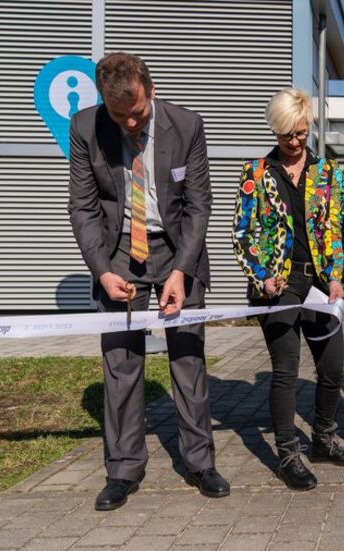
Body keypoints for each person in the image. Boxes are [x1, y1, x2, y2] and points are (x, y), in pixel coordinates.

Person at [67, 52, 228, 510]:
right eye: (119, 116)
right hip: (118, 250)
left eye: (136, 112)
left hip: (178, 246)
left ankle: (200, 463)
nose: (130, 123)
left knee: (188, 356)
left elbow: (199, 205)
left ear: (150, 91)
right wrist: (102, 270)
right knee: (120, 362)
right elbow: (83, 206)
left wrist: (181, 269)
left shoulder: (188, 125)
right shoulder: (85, 128)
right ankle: (122, 469)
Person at [232, 88, 344, 491]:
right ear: (275, 129)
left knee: (333, 367)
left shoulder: (329, 173)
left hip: (320, 284)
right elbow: (241, 233)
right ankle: (288, 452)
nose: (294, 142)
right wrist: (261, 276)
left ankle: (323, 437)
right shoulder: (255, 173)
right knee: (286, 372)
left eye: (301, 133)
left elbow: (334, 230)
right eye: (287, 134)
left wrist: (337, 276)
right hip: (279, 287)